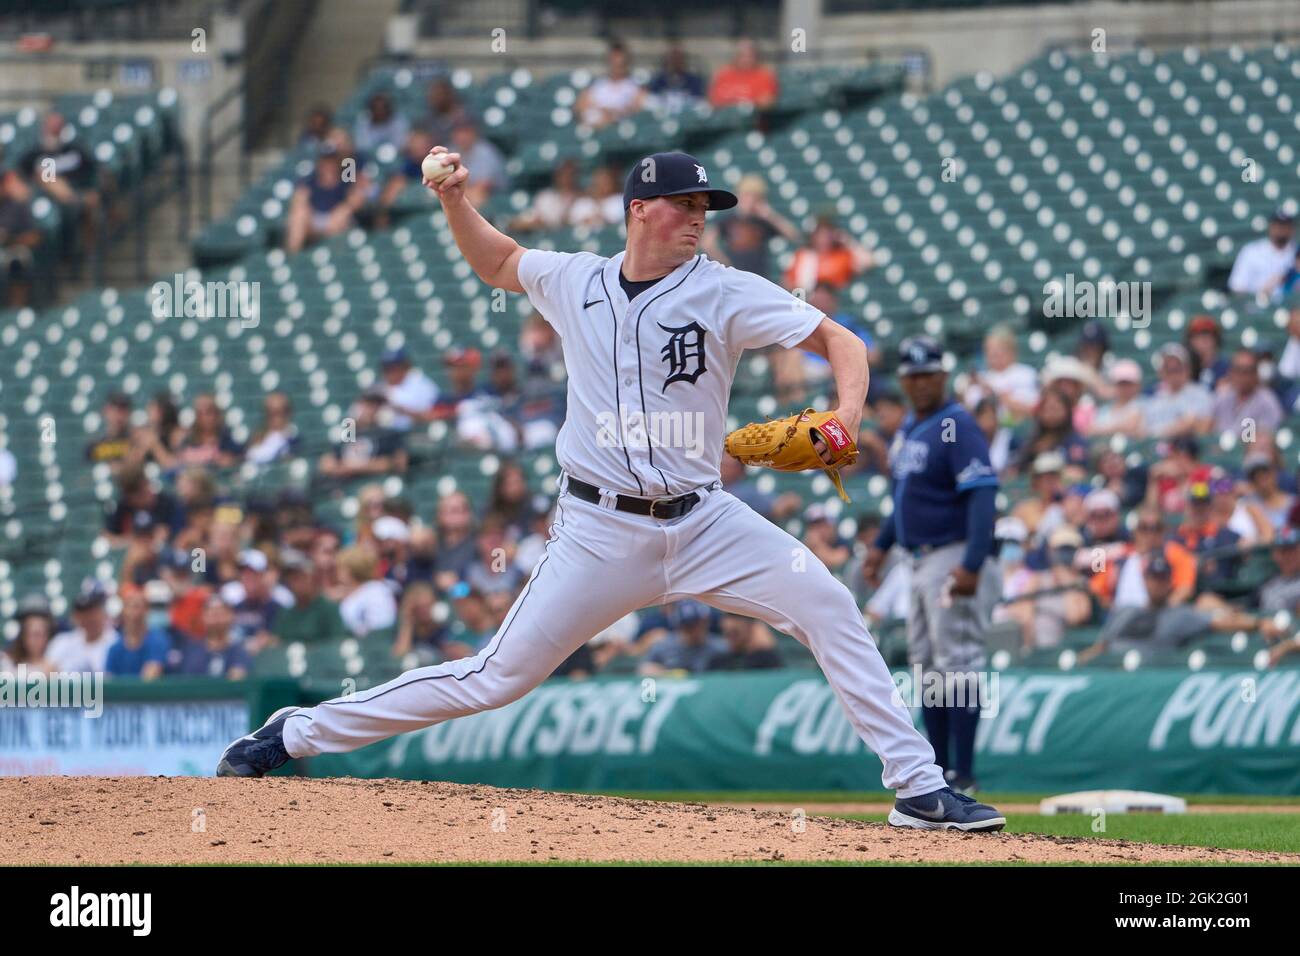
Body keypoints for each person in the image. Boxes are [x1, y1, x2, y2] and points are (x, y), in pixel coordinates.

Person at [217, 148, 1006, 833]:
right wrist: (456, 199)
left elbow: (839, 338)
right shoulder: (575, 282)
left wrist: (846, 413)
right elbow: (497, 262)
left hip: (706, 523)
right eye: (685, 203)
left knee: (829, 604)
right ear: (639, 210)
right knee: (495, 678)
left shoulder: (725, 289)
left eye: (706, 206)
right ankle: (296, 734)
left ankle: (920, 788)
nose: (699, 217)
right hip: (598, 532)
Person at [861, 335, 1000, 798]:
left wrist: (973, 561)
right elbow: (905, 500)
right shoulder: (910, 428)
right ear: (903, 381)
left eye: (928, 374)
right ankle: (937, 773)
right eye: (912, 376)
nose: (920, 383)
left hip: (950, 553)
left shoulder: (956, 424)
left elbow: (982, 493)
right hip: (915, 560)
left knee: (956, 663)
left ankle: (964, 773)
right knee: (930, 670)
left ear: (943, 376)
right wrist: (881, 545)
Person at [1079, 553, 1283, 663]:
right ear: (1145, 580)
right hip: (1110, 669)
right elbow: (1100, 646)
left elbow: (1220, 622)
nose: (1158, 583)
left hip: (1146, 676)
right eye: (1153, 578)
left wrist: (1258, 622)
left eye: (1163, 578)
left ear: (1170, 582)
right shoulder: (1125, 611)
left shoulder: (1181, 615)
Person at [18, 112, 100, 258]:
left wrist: (89, 192)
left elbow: (92, 172)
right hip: (44, 198)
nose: (54, 130)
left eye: (57, 127)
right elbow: (22, 178)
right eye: (51, 126)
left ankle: (86, 254)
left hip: (76, 196)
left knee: (86, 206)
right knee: (49, 180)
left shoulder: (75, 150)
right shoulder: (34, 153)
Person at [700, 173, 800, 281]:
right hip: (734, 277)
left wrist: (770, 215)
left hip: (759, 277)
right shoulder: (729, 218)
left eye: (755, 197)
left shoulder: (763, 220)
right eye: (747, 195)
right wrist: (725, 264)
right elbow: (707, 242)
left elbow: (794, 235)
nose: (750, 201)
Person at [284, 143, 368, 254]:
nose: (328, 164)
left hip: (338, 220)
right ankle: (292, 257)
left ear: (337, 162)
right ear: (320, 162)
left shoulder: (346, 177)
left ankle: (334, 256)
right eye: (325, 160)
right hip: (315, 220)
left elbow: (358, 197)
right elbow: (299, 199)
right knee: (298, 213)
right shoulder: (310, 180)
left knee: (342, 215)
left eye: (331, 160)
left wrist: (343, 209)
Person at [317, 390, 408, 480]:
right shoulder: (349, 431)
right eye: (367, 405)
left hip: (374, 481)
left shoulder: (390, 434)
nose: (371, 410)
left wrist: (354, 467)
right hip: (344, 484)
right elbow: (327, 462)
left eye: (376, 406)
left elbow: (398, 464)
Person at [962, 325, 1039, 421]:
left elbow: (1032, 410)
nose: (992, 354)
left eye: (998, 350)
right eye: (988, 350)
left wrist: (994, 394)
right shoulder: (981, 379)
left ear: (1012, 351)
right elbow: (969, 412)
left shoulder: (1026, 374)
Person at [272, 549, 347, 645]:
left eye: (300, 576)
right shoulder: (286, 613)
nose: (296, 583)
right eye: (291, 578)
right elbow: (277, 644)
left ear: (312, 577)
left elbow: (337, 645)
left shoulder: (329, 609)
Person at [170, 594, 253, 679]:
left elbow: (238, 678)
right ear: (203, 617)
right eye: (211, 613)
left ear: (231, 616)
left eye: (220, 613)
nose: (216, 618)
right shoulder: (191, 650)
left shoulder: (239, 651)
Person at [1141, 343, 1213, 439]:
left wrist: (1158, 432)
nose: (1173, 375)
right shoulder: (1155, 397)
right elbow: (1141, 430)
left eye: (1177, 369)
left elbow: (1202, 426)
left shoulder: (1200, 394)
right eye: (1168, 370)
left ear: (1187, 369)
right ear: (1161, 372)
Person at [783, 216, 873, 293]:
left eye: (827, 233)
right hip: (809, 302)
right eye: (820, 233)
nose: (823, 238)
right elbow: (787, 282)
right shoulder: (803, 256)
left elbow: (868, 262)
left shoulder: (841, 255)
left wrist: (847, 240)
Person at [46, 580, 120, 673]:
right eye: (83, 613)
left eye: (92, 612)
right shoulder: (62, 641)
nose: (87, 618)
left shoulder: (115, 643)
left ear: (102, 612)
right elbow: (46, 673)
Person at [637, 600, 728, 675]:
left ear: (705, 622)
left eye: (696, 624)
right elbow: (644, 668)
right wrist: (667, 674)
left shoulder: (720, 647)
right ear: (678, 625)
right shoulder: (664, 645)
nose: (692, 630)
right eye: (687, 626)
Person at [1212, 349, 1283, 439]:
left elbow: (1264, 439)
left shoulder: (1267, 401)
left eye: (1247, 371)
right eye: (1237, 370)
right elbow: (1208, 429)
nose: (1241, 376)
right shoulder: (1222, 396)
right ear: (1230, 372)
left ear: (1256, 374)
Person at [105, 585, 170, 680]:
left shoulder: (158, 640)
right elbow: (109, 681)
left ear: (146, 610)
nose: (133, 612)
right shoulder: (114, 648)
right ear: (123, 610)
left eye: (137, 606)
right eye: (128, 606)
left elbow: (150, 677)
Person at [577, 41, 646, 128]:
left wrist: (613, 114)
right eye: (614, 62)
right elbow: (580, 107)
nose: (617, 67)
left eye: (621, 64)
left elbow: (638, 108)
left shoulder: (634, 87)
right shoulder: (598, 85)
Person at [1227, 208, 1296, 295]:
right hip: (1256, 306)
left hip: (1292, 306)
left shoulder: (1296, 251)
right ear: (1271, 227)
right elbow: (1237, 287)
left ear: (1292, 229)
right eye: (1278, 225)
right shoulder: (1251, 251)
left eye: (1285, 226)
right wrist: (1260, 295)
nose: (1281, 230)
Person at [0, 166, 41, 307]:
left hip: (12, 248)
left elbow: (35, 237)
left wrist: (10, 239)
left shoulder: (17, 206)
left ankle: (16, 310)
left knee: (19, 260)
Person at [337, 545, 398, 637]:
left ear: (350, 570)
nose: (337, 572)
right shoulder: (350, 591)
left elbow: (382, 624)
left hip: (373, 645)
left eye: (341, 568)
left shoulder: (377, 590)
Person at [509, 159, 581, 232]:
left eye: (570, 175)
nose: (566, 178)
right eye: (562, 174)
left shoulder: (582, 199)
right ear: (557, 176)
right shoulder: (545, 197)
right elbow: (533, 219)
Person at [176, 393, 243, 468]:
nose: (204, 417)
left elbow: (235, 461)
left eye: (208, 412)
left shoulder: (230, 440)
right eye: (199, 413)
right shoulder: (187, 440)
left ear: (217, 413)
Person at [709, 37, 779, 109]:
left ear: (756, 57)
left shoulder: (764, 76)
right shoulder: (723, 74)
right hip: (725, 116)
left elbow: (767, 102)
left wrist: (746, 105)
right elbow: (713, 100)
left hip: (751, 117)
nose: (746, 60)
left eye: (749, 56)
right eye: (742, 55)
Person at [378, 348, 439, 430]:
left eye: (394, 368)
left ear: (405, 366)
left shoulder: (421, 384)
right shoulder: (382, 386)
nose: (390, 373)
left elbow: (430, 415)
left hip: (417, 434)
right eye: (386, 369)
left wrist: (401, 409)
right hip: (387, 434)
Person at [1087, 359, 1145, 438]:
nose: (1124, 388)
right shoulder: (1105, 409)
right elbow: (1090, 430)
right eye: (1121, 383)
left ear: (1137, 385)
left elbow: (1131, 426)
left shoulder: (1142, 404)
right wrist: (1118, 428)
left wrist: (1103, 429)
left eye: (1128, 384)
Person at [1, 595, 58, 674]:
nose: (35, 640)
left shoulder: (53, 665)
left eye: (39, 634)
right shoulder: (6, 661)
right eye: (29, 632)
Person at [647, 43, 705, 114]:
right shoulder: (657, 81)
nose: (675, 63)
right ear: (666, 61)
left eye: (678, 59)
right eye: (672, 59)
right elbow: (651, 104)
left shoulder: (694, 81)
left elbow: (699, 104)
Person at [245, 392, 299, 465]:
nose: (273, 417)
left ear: (288, 413)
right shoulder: (257, 436)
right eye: (268, 412)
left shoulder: (292, 439)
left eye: (278, 412)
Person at [84, 392, 135, 469]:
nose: (119, 416)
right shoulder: (93, 446)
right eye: (116, 410)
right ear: (105, 411)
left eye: (123, 410)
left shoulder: (137, 442)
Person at [1186, 314, 1228, 391]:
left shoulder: (1227, 369)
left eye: (1206, 336)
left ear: (1216, 340)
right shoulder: (1185, 371)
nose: (1202, 342)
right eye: (1197, 337)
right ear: (1190, 342)